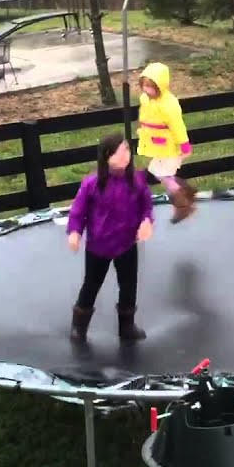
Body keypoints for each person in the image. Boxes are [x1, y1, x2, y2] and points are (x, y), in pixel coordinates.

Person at [66, 132, 155, 344]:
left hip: (126, 243)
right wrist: (75, 232)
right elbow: (78, 212)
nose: (125, 155)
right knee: (91, 285)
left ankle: (127, 327)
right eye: (119, 151)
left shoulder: (137, 181)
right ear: (106, 156)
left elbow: (147, 207)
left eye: (127, 149)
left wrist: (146, 222)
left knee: (128, 285)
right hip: (99, 245)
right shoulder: (92, 184)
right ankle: (79, 327)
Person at [135, 61, 198, 222]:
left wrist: (184, 144)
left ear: (160, 86)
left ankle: (183, 204)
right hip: (158, 146)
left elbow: (177, 125)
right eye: (145, 85)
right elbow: (146, 118)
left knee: (162, 174)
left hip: (169, 147)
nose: (147, 89)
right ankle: (186, 192)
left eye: (151, 86)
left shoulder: (169, 104)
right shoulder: (145, 99)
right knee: (161, 173)